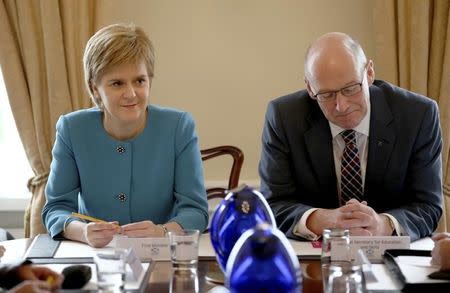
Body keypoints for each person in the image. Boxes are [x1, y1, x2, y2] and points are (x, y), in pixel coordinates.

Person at [259, 32, 442, 242]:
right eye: (326, 95)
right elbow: (271, 205)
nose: (341, 106)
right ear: (310, 88)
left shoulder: (418, 115)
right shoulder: (284, 117)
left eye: (350, 88)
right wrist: (323, 220)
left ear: (370, 73)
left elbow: (428, 206)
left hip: (393, 256)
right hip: (314, 257)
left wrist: (383, 224)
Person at [42, 23, 208, 248]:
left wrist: (162, 232)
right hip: (96, 257)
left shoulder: (179, 126)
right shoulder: (72, 129)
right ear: (94, 89)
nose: (131, 94)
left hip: (160, 255)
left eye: (139, 81)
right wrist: (83, 232)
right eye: (117, 83)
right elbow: (55, 208)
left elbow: (196, 210)